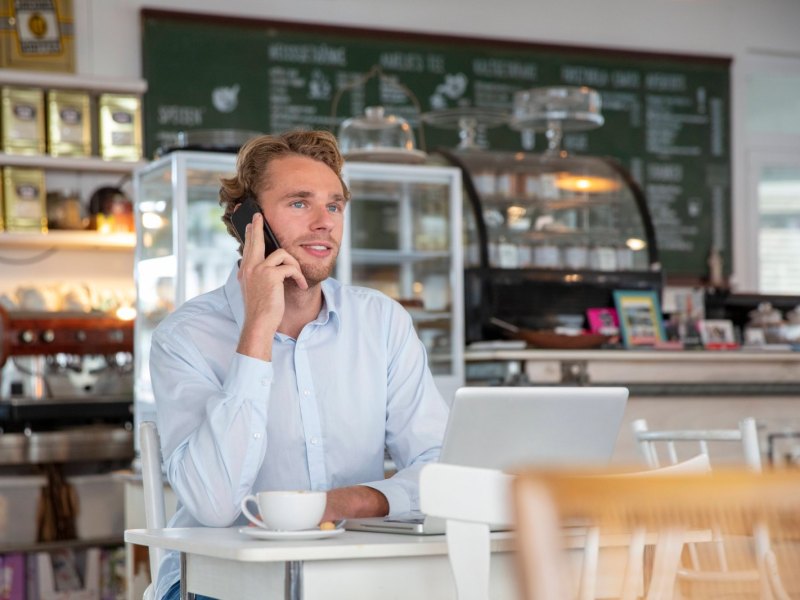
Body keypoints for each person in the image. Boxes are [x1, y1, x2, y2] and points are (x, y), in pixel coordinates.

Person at [149, 130, 449, 600]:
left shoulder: (381, 321)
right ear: (248, 220)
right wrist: (258, 330)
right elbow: (214, 504)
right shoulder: (185, 337)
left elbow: (440, 465)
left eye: (333, 205)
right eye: (298, 203)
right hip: (217, 583)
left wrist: (341, 503)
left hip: (349, 572)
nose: (324, 222)